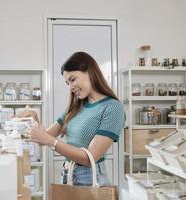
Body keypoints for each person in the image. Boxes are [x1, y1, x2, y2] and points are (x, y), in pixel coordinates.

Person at [27, 51, 125, 186]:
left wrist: (52, 142)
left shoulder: (112, 108)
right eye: (67, 83)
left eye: (73, 79)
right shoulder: (75, 107)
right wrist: (33, 117)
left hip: (90, 179)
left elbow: (89, 158)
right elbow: (44, 138)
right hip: (68, 174)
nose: (70, 87)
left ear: (89, 72)